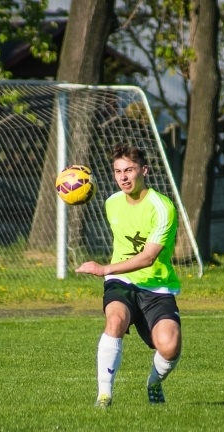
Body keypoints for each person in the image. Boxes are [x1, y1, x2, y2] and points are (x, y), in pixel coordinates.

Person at [76, 143, 182, 408]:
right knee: (115, 320)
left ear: (143, 171)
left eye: (129, 170)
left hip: (157, 287)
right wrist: (111, 273)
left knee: (170, 347)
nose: (123, 177)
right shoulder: (112, 203)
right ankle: (104, 395)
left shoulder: (162, 207)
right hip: (122, 282)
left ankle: (154, 382)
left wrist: (104, 269)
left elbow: (148, 257)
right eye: (117, 171)